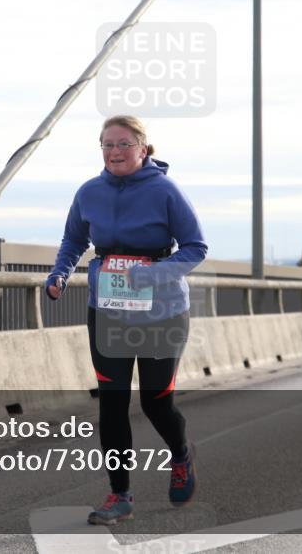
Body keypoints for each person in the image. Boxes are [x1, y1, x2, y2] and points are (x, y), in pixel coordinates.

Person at [45, 115, 207, 526]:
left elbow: (195, 247)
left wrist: (152, 274)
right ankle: (120, 495)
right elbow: (74, 239)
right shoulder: (89, 192)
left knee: (156, 403)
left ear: (143, 148)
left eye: (123, 144)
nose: (114, 152)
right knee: (112, 405)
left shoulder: (166, 191)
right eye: (106, 145)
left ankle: (181, 454)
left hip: (162, 312)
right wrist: (60, 273)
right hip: (108, 311)